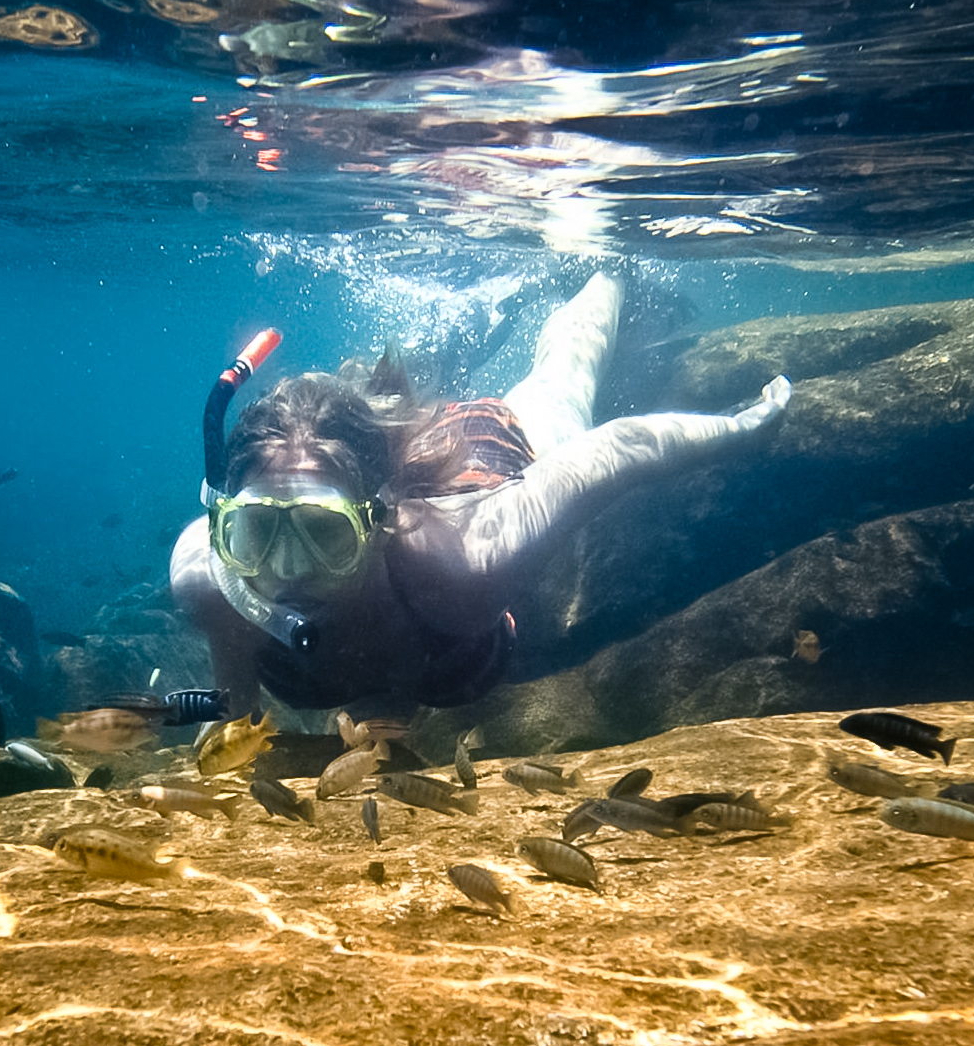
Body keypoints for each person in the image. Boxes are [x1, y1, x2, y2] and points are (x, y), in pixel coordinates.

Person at [169, 272, 791, 718]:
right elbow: (235, 730)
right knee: (395, 392)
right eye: (255, 533)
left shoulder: (469, 563)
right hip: (382, 470)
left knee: (563, 382)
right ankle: (451, 340)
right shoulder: (212, 582)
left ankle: (601, 267)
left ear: (377, 521)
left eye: (323, 533)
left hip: (478, 462)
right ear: (225, 521)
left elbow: (615, 453)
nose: (287, 571)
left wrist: (743, 429)